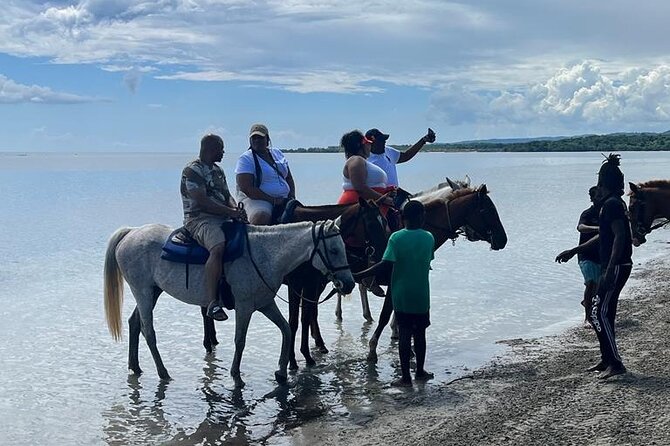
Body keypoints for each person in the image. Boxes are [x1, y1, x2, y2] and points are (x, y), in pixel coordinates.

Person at [555, 154, 633, 379]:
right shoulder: (611, 204)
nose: (596, 186)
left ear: (602, 183)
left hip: (616, 266)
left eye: (599, 181)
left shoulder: (611, 205)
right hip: (616, 265)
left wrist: (609, 268)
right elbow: (604, 237)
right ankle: (607, 358)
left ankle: (615, 363)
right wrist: (574, 251)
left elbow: (619, 237)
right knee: (603, 312)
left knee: (599, 313)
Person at [355, 200, 435, 387]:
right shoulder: (429, 237)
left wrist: (359, 274)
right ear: (422, 217)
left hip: (401, 295)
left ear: (402, 218)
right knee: (420, 335)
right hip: (422, 294)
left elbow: (385, 264)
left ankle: (405, 377)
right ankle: (421, 371)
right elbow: (428, 258)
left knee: (405, 334)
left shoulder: (396, 238)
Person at [181, 134, 247, 321]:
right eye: (221, 148)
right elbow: (202, 201)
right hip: (200, 219)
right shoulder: (192, 171)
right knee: (217, 246)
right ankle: (212, 302)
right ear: (210, 149)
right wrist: (230, 212)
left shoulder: (218, 170)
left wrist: (236, 209)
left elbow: (227, 195)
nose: (223, 152)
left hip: (223, 216)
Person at [235, 123, 296, 225]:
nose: (257, 141)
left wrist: (292, 197)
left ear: (267, 139)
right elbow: (247, 189)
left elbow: (289, 178)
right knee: (261, 216)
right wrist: (273, 200)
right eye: (254, 138)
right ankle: (254, 239)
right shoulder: (246, 159)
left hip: (284, 198)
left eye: (260, 137)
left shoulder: (277, 153)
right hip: (257, 199)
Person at [365, 127, 436, 193]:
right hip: (379, 198)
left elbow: (406, 156)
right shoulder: (365, 159)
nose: (384, 142)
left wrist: (423, 140)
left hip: (395, 194)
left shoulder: (388, 151)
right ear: (371, 143)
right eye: (381, 140)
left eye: (384, 140)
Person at [337, 129, 394, 208]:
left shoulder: (362, 161)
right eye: (368, 143)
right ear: (359, 145)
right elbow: (360, 187)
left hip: (370, 206)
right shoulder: (356, 160)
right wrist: (384, 199)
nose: (370, 146)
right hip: (358, 208)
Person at [576, 186, 601, 327]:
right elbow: (580, 227)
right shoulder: (587, 213)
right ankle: (587, 318)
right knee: (590, 283)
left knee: (598, 287)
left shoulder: (606, 212)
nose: (598, 198)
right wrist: (597, 228)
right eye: (596, 196)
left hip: (601, 255)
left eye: (600, 195)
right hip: (585, 254)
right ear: (591, 198)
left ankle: (588, 304)